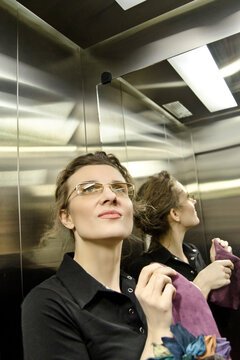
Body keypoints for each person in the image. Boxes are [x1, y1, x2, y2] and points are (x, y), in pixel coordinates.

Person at [21, 152, 177, 360]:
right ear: (67, 217)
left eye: (120, 189)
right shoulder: (48, 304)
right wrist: (158, 329)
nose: (111, 196)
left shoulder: (144, 289)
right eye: (88, 189)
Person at [124, 170, 234, 299]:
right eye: (188, 197)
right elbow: (165, 318)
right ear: (175, 214)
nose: (194, 202)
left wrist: (221, 263)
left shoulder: (192, 252)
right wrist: (201, 284)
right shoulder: (146, 267)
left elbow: (215, 313)